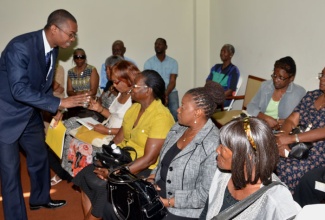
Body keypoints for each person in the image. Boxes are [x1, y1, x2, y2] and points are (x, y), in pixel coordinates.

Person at [0, 9, 90, 220]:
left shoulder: (54, 48)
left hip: (29, 113)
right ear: (54, 29)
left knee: (40, 157)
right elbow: (19, 90)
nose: (73, 38)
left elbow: (42, 84)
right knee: (11, 172)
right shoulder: (19, 47)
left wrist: (53, 109)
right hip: (6, 115)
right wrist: (60, 101)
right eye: (71, 33)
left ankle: (40, 199)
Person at [73, 70, 175, 220]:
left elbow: (149, 159)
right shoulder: (134, 108)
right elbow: (119, 138)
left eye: (135, 86)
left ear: (148, 90)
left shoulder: (161, 117)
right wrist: (105, 158)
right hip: (123, 159)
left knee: (104, 187)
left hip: (143, 168)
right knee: (87, 174)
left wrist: (115, 174)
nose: (131, 88)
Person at [143, 81, 225, 219]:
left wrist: (167, 202)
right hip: (158, 195)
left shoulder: (213, 143)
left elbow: (204, 194)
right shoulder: (178, 128)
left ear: (197, 113)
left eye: (183, 106)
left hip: (184, 210)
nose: (178, 109)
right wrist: (151, 179)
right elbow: (161, 163)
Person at [200, 117, 300, 220]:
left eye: (223, 147)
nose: (217, 150)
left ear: (246, 156)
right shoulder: (222, 174)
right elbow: (206, 213)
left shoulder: (275, 199)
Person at [61, 59, 135, 177]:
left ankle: (80, 175)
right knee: (69, 125)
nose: (114, 85)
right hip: (105, 128)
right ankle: (68, 171)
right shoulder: (122, 92)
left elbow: (130, 129)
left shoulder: (134, 99)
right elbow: (113, 116)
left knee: (78, 143)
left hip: (113, 136)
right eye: (113, 82)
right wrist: (99, 108)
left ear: (127, 79)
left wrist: (107, 131)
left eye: (116, 82)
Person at [276, 68, 325, 193]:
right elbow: (292, 120)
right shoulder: (311, 96)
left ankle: (285, 206)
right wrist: (282, 139)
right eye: (322, 75)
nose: (322, 79)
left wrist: (292, 138)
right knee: (262, 153)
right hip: (294, 145)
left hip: (317, 153)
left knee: (287, 170)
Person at [247, 56, 306, 130]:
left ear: (291, 78)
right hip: (260, 126)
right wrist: (265, 117)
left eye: (281, 78)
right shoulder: (265, 86)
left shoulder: (299, 93)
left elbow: (302, 118)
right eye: (274, 75)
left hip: (283, 131)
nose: (276, 80)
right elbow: (251, 106)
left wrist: (284, 122)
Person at [144, 37, 179, 121]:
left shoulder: (173, 62)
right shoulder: (149, 62)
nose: (157, 46)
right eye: (156, 44)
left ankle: (175, 132)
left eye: (160, 44)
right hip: (155, 91)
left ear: (165, 47)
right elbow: (148, 81)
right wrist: (160, 94)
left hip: (170, 91)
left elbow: (173, 81)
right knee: (153, 112)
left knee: (175, 110)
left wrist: (165, 94)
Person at [65, 48, 99, 118]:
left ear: (85, 58)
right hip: (77, 101)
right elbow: (69, 91)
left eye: (82, 57)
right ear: (73, 59)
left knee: (82, 116)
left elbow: (93, 91)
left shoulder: (92, 70)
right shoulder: (70, 72)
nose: (79, 59)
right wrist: (77, 94)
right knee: (67, 116)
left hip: (90, 100)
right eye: (76, 57)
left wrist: (80, 95)